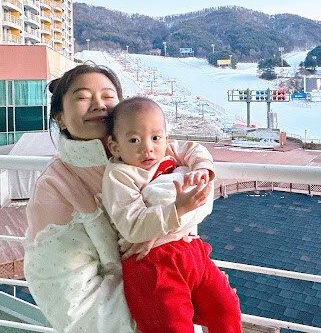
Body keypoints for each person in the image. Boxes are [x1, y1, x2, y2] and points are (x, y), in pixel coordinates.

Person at [22, 64, 232, 333]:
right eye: (83, 97)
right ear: (60, 118)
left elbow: (200, 195)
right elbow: (69, 299)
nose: (99, 105)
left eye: (108, 96)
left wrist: (159, 232)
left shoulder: (151, 149)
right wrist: (161, 303)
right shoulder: (55, 185)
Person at [102, 97, 242, 333]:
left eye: (156, 137)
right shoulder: (120, 175)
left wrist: (202, 168)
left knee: (226, 308)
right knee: (172, 326)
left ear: (165, 138)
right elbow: (132, 224)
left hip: (192, 249)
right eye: (134, 140)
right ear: (115, 147)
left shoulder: (168, 152)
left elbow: (195, 149)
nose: (148, 148)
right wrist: (178, 209)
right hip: (153, 261)